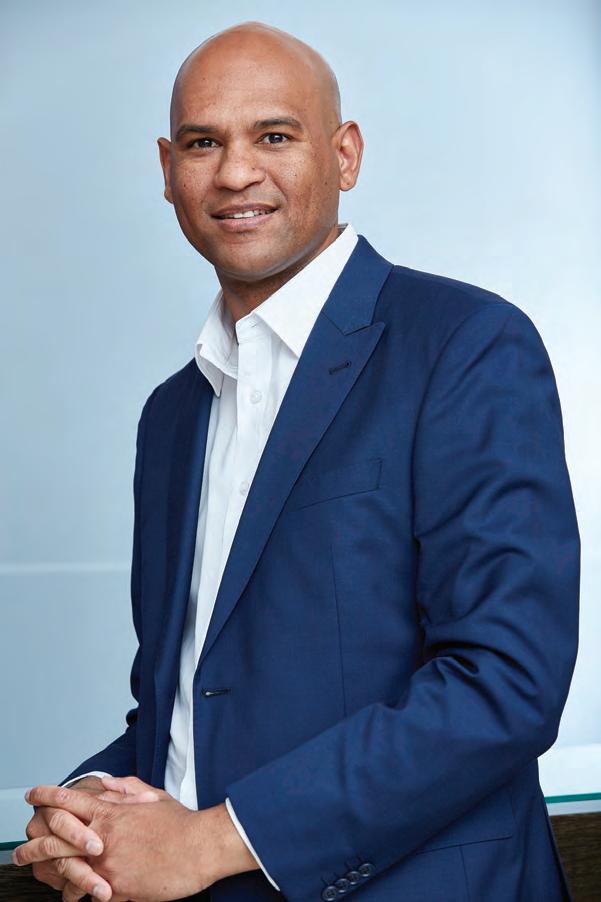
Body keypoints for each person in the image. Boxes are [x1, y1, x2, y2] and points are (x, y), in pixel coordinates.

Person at [14, 19, 580, 902]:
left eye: (274, 136)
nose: (235, 172)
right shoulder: (172, 416)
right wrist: (83, 807)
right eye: (203, 143)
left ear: (344, 155)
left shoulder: (464, 345)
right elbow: (191, 702)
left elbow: (504, 684)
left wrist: (211, 841)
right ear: (166, 169)